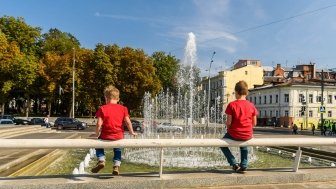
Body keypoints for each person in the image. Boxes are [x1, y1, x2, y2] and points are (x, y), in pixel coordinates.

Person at [91, 85, 137, 175]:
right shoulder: (123, 109)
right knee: (118, 148)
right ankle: (116, 165)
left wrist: (96, 133)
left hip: (105, 135)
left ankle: (101, 160)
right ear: (118, 98)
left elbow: (99, 124)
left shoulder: (102, 108)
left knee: (98, 145)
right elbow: (128, 122)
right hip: (118, 136)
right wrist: (131, 132)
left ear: (105, 97)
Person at [220, 81, 257, 174]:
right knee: (243, 145)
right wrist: (246, 129)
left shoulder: (232, 105)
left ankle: (233, 163)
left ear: (236, 92)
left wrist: (229, 129)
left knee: (222, 144)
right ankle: (244, 164)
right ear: (247, 92)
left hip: (234, 133)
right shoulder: (251, 105)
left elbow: (229, 122)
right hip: (248, 134)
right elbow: (254, 123)